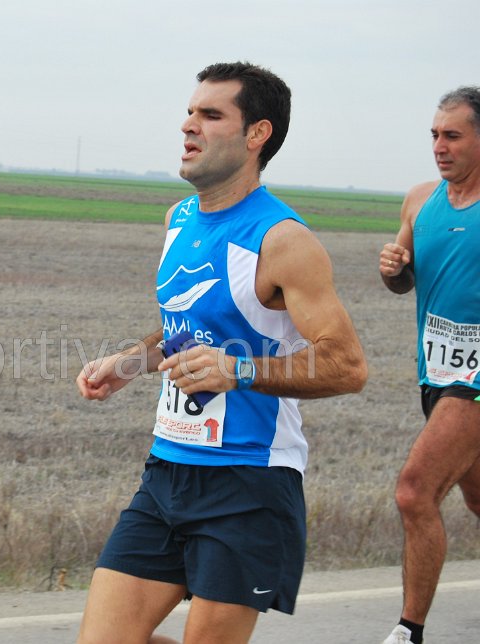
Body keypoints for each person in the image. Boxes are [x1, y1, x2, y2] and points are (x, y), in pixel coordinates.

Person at [74, 61, 367, 644]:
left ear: (257, 134)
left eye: (211, 115)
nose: (189, 126)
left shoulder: (282, 240)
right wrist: (130, 362)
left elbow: (347, 365)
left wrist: (240, 371)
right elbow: (191, 327)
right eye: (189, 113)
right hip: (167, 472)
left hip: (249, 483)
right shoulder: (179, 218)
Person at [378, 86, 480, 644]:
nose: (439, 146)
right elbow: (403, 282)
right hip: (436, 374)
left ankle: (408, 632)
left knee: (415, 491)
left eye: (453, 135)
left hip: (477, 381)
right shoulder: (421, 200)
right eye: (435, 135)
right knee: (475, 498)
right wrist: (394, 266)